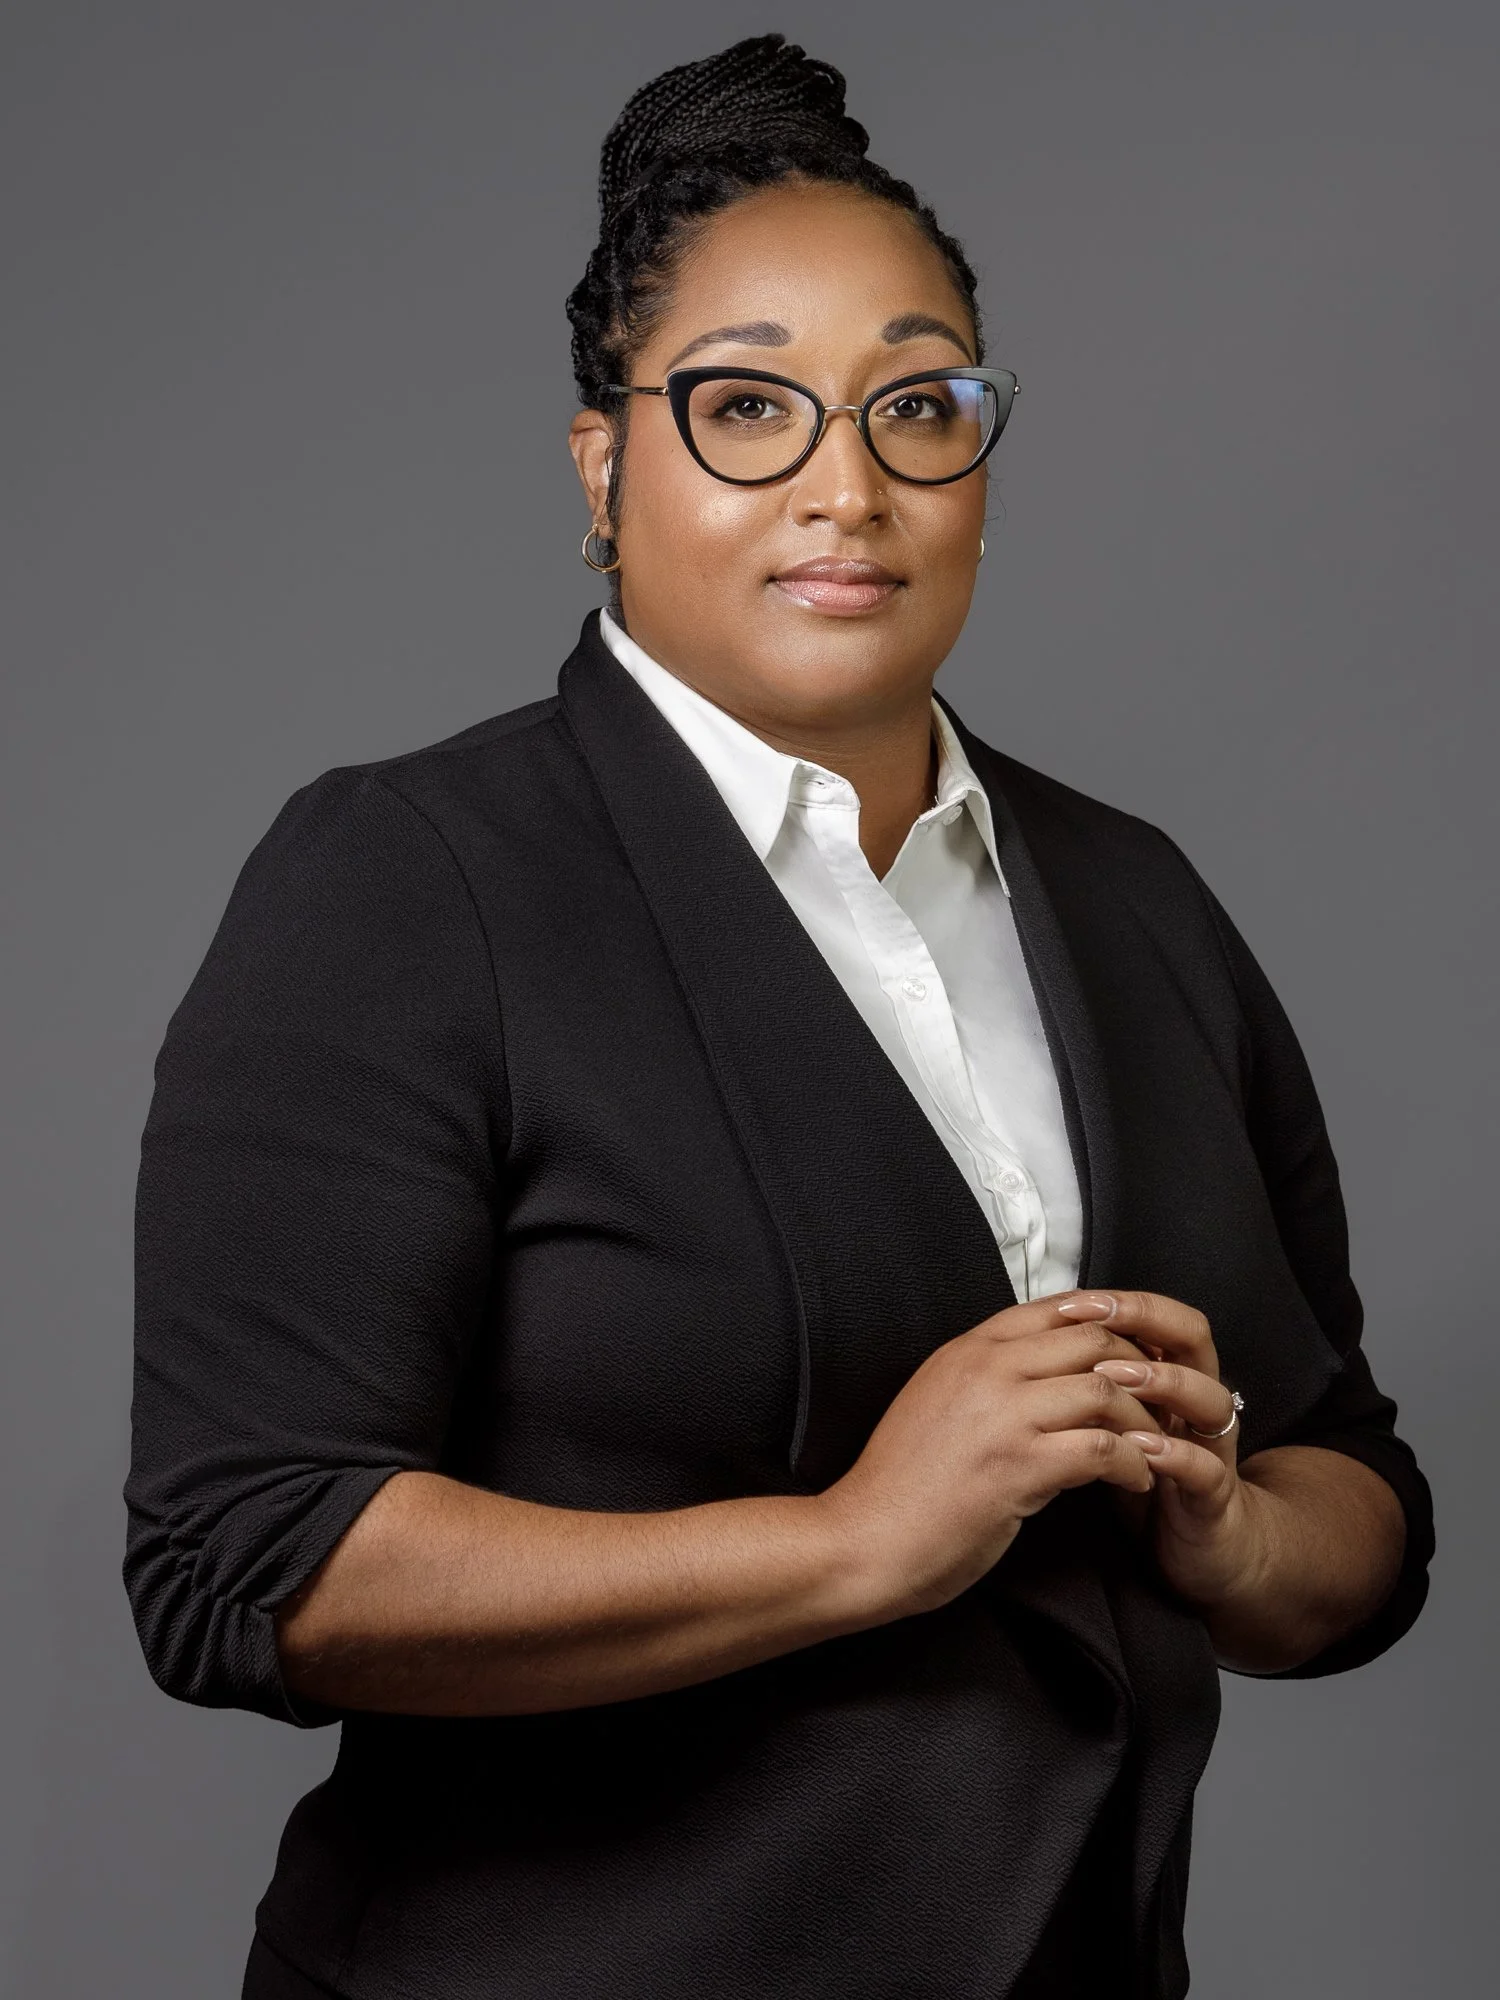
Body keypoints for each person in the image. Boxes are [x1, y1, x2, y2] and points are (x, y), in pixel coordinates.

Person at [124, 34, 1433, 2000]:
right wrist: (853, 1542)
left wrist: (1226, 1534)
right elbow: (246, 1557)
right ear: (604, 463)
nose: (847, 485)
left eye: (919, 405)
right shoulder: (412, 882)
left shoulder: (1135, 896)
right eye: (749, 407)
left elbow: (1358, 1499)